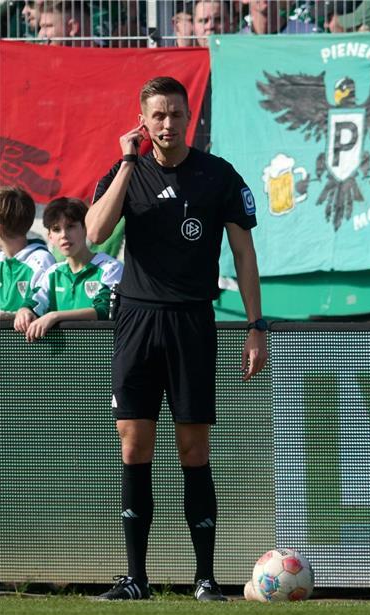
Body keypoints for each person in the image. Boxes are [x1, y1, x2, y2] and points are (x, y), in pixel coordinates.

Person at [87, 76, 268, 601]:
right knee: (133, 443)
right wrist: (125, 161)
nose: (167, 124)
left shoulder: (218, 177)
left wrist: (256, 327)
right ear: (143, 121)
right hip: (137, 322)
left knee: (193, 448)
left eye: (176, 114)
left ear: (190, 118)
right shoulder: (128, 173)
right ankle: (136, 578)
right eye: (157, 116)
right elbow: (96, 232)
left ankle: (206, 578)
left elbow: (244, 255)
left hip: (191, 321)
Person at [13, 197, 123, 341]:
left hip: (102, 356)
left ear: (85, 228)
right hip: (60, 360)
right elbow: (33, 302)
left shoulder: (111, 268)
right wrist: (24, 310)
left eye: (70, 226)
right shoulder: (52, 273)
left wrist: (55, 316)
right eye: (56, 229)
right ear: (50, 237)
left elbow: (104, 310)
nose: (64, 235)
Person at [0, 186, 56, 319]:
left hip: (30, 340)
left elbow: (40, 309)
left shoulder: (41, 260)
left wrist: (6, 317)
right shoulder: (1, 260)